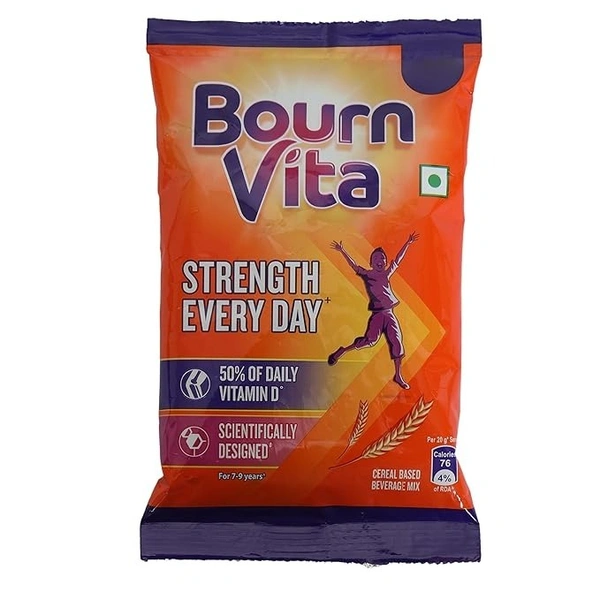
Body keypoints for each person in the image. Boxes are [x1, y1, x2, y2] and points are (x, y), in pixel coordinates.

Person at [328, 232, 420, 389]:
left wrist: (408, 243)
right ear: (371, 263)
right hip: (377, 315)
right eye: (376, 258)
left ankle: (398, 375)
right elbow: (354, 265)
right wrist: (342, 250)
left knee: (397, 342)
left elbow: (398, 259)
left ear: (385, 262)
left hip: (389, 314)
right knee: (369, 341)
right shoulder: (367, 274)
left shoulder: (386, 273)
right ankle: (343, 351)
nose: (380, 261)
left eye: (382, 259)